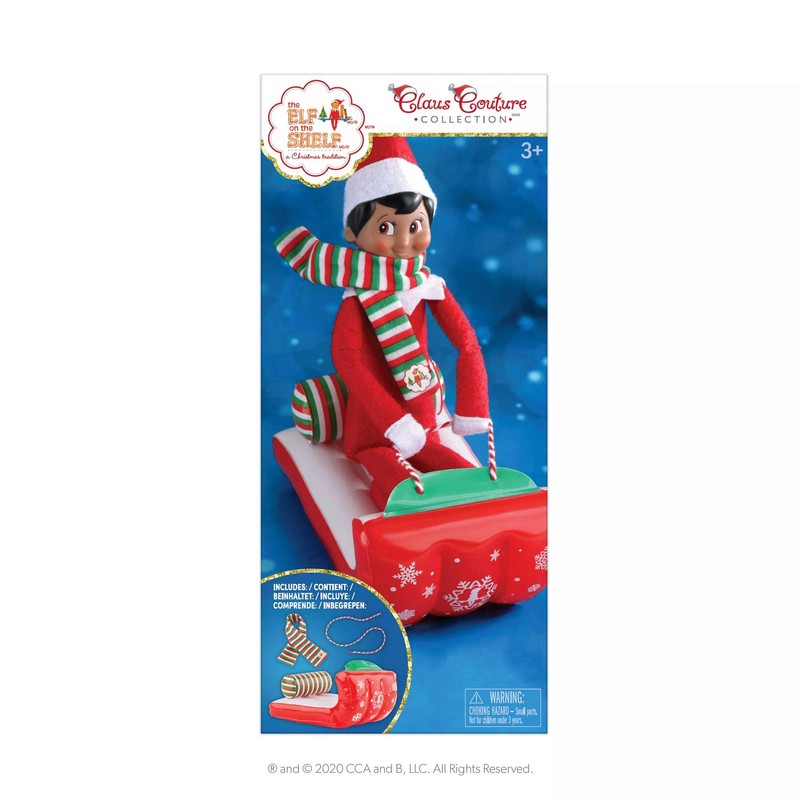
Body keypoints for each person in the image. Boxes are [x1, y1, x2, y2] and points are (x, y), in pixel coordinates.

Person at [276, 137, 490, 509]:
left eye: (416, 225)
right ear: (351, 232)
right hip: (374, 424)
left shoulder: (429, 285)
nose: (404, 241)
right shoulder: (360, 298)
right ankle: (407, 514)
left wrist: (472, 409)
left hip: (422, 414)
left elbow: (467, 342)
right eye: (387, 227)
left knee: (461, 473)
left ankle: (483, 501)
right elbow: (350, 362)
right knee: (393, 478)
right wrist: (393, 422)